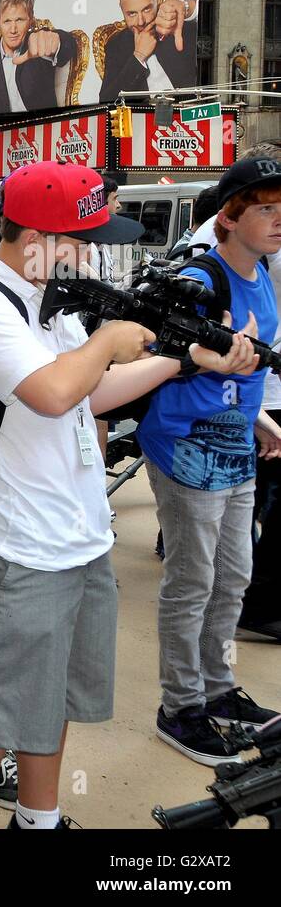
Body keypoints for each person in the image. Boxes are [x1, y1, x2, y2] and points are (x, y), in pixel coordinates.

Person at [0, 162, 257, 829]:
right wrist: (110, 337)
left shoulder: (52, 299)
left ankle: (38, 820)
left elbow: (92, 395)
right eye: (82, 238)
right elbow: (50, 393)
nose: (92, 251)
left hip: (78, 531)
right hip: (23, 539)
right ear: (35, 236)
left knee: (52, 700)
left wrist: (188, 358)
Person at [136, 157, 281, 765]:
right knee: (192, 582)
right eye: (266, 209)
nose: (279, 221)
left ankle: (218, 691)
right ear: (229, 215)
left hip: (236, 447)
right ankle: (181, 706)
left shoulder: (263, 272)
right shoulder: (201, 277)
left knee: (233, 578)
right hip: (186, 448)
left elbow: (250, 364)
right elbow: (163, 351)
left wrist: (258, 418)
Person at [0, 0, 78, 116]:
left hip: (44, 131)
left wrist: (56, 41)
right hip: (3, 133)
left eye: (19, 20)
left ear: (31, 19)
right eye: (7, 21)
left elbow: (68, 45)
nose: (13, 30)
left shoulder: (37, 43)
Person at [98, 0, 198, 102]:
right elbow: (106, 100)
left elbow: (211, 12)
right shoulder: (116, 45)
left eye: (146, 10)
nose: (140, 22)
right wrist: (138, 56)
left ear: (157, 0)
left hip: (190, 113)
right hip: (144, 119)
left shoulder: (174, 22)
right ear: (122, 9)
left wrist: (186, 6)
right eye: (132, 13)